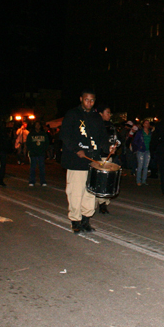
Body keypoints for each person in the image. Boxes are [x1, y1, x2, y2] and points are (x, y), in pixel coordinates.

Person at [60, 89, 113, 233]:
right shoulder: (72, 114)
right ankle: (75, 221)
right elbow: (64, 135)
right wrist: (76, 149)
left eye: (92, 100)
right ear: (81, 99)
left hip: (92, 160)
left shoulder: (96, 117)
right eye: (86, 100)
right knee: (76, 192)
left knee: (90, 192)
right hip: (76, 161)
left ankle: (86, 220)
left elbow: (102, 137)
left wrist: (109, 147)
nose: (89, 103)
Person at [26, 120, 49, 187]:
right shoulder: (31, 134)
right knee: (33, 167)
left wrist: (44, 150)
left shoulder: (43, 134)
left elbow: (47, 143)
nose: (38, 126)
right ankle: (32, 181)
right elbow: (28, 143)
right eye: (36, 125)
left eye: (39, 125)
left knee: (41, 167)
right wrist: (31, 150)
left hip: (41, 153)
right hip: (33, 153)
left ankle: (43, 181)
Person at [132, 119, 153, 186]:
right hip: (141, 151)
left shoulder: (150, 132)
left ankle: (144, 180)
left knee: (146, 166)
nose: (147, 124)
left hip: (147, 150)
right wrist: (139, 146)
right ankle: (138, 180)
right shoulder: (140, 132)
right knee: (140, 166)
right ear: (143, 124)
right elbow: (135, 141)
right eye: (146, 123)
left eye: (148, 123)